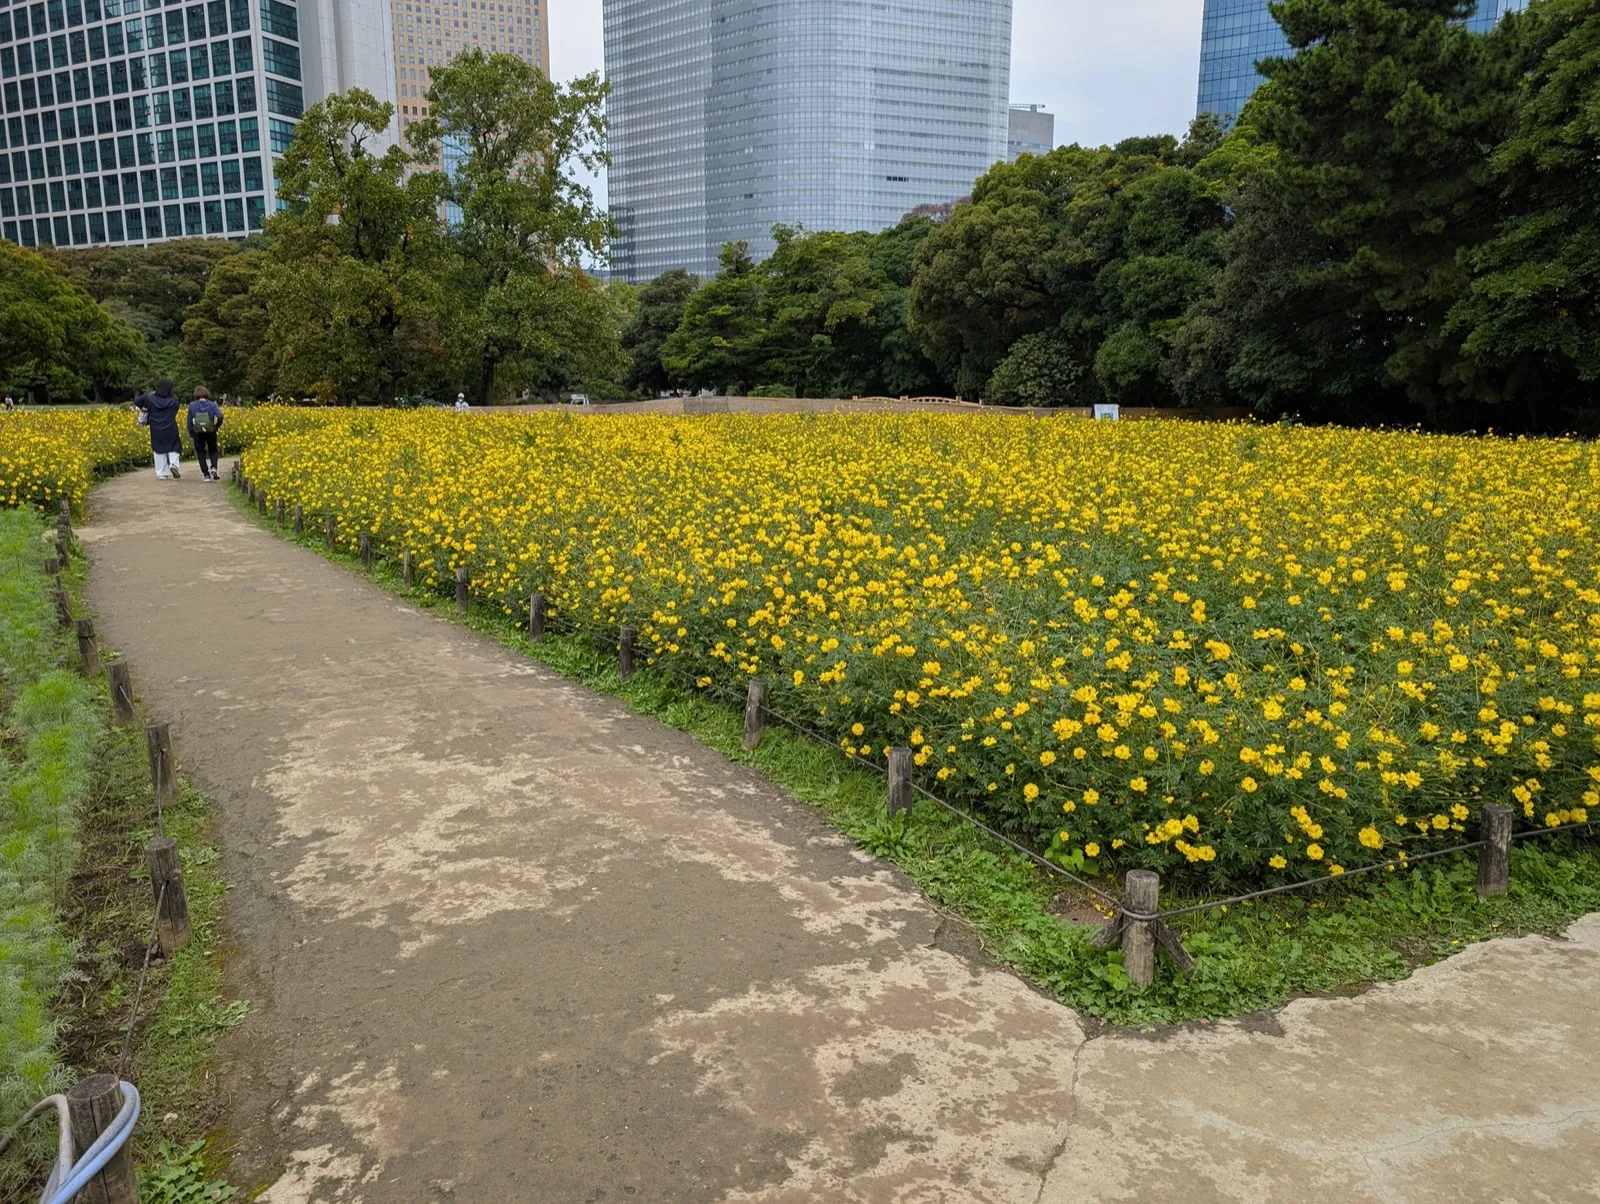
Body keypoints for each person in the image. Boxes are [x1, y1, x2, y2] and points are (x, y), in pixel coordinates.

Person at [135, 378, 183, 480]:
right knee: (174, 446)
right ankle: (174, 464)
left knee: (158, 448)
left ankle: (162, 473)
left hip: (156, 427)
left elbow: (137, 401)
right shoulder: (173, 400)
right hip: (170, 427)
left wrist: (146, 403)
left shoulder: (150, 398)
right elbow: (176, 410)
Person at [187, 385, 224, 481]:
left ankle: (206, 474)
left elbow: (189, 421)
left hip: (197, 432)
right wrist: (216, 426)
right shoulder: (212, 405)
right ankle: (214, 468)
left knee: (200, 453)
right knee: (213, 450)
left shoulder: (192, 405)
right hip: (210, 430)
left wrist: (191, 433)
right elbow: (220, 416)